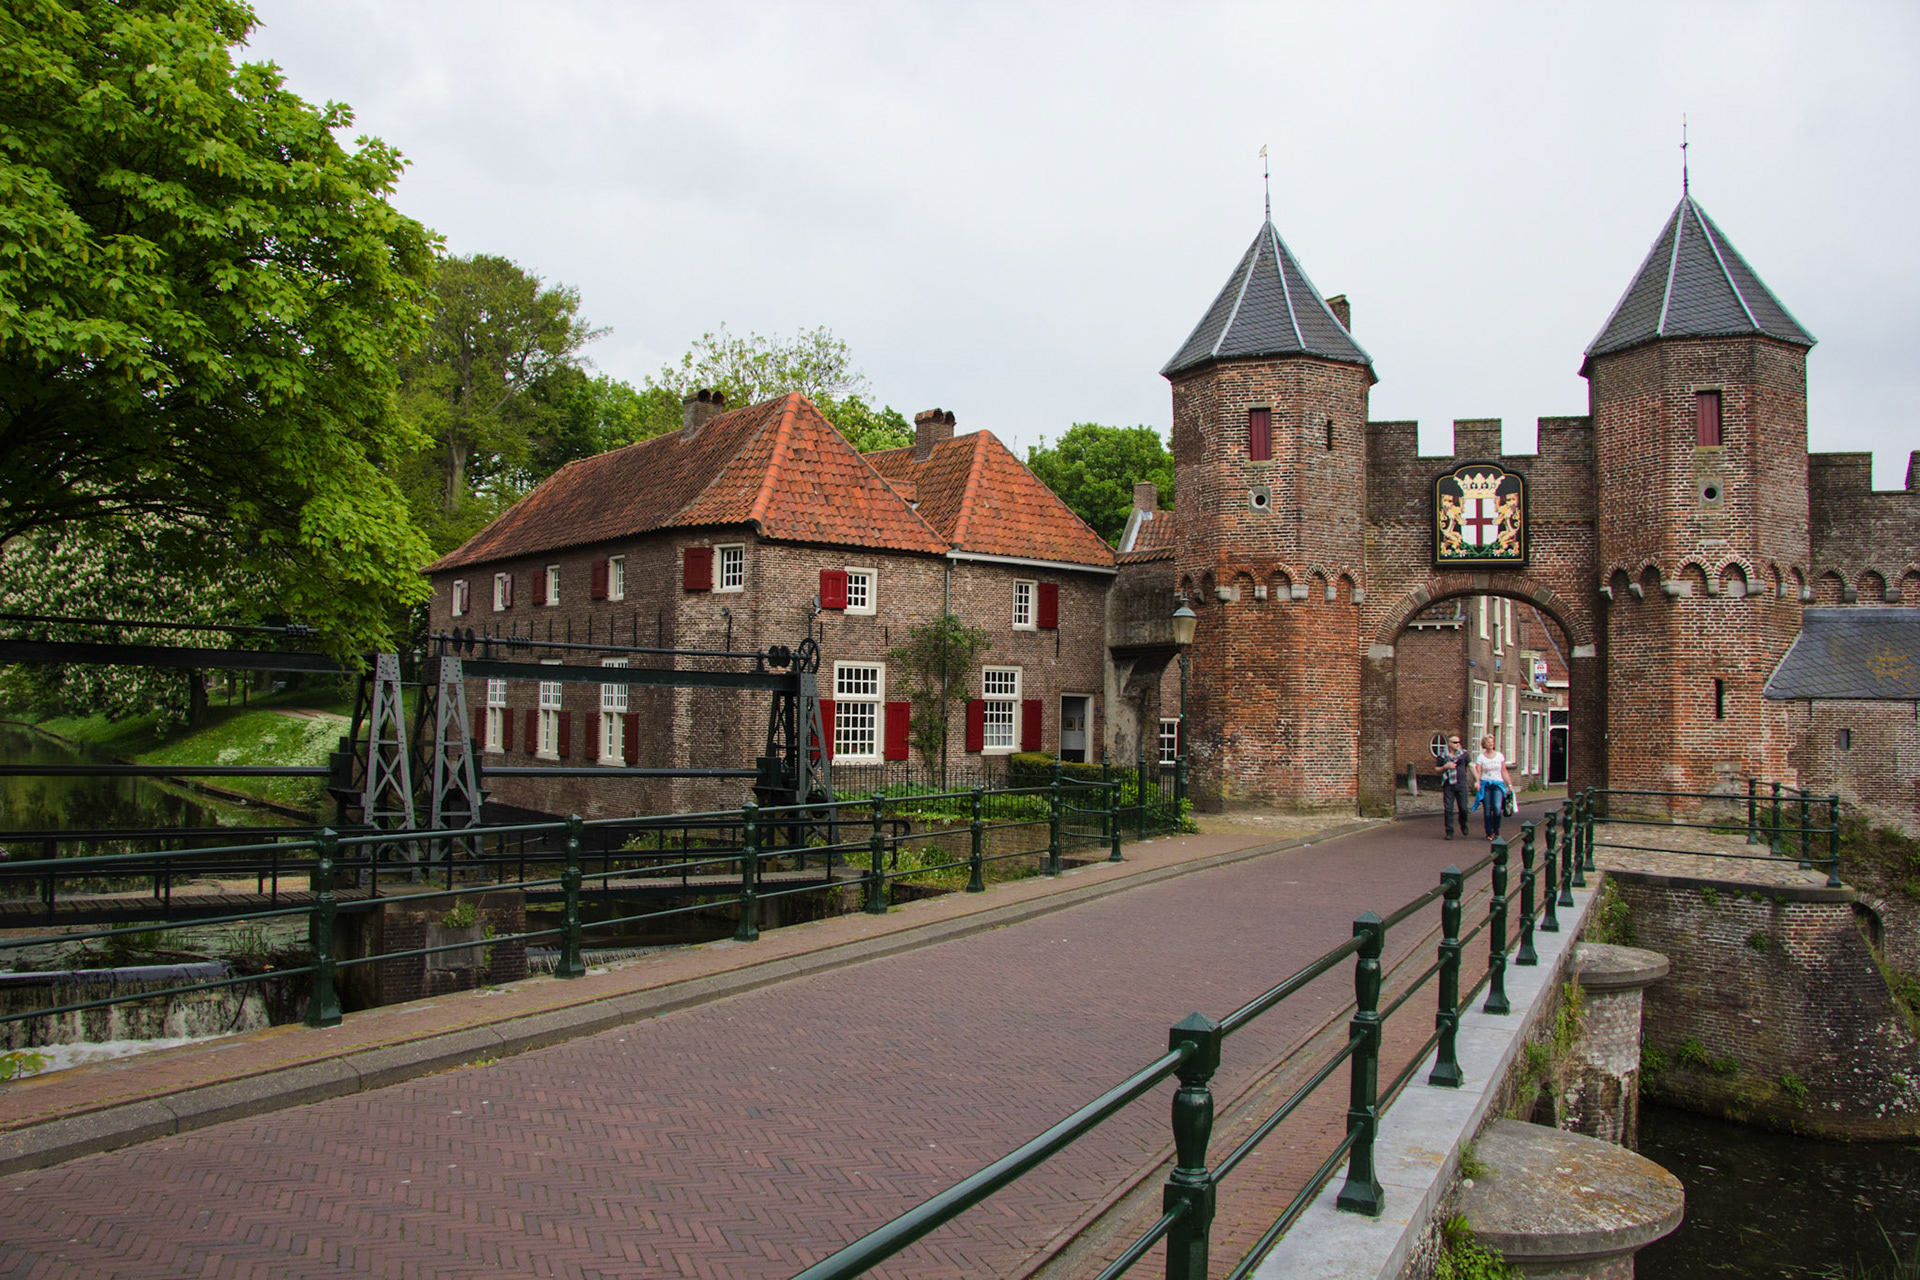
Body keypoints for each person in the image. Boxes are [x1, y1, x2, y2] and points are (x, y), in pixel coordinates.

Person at [1470, 734, 1514, 841]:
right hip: (1486, 785)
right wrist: (1477, 782)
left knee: (1497, 808)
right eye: (1489, 742)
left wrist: (1510, 784)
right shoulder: (1481, 757)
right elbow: (1478, 772)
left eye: (1492, 742)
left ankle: (1497, 830)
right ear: (1484, 744)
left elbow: (1504, 770)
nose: (1491, 744)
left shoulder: (1499, 756)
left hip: (1498, 784)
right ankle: (1489, 832)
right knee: (1487, 810)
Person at [1437, 733, 1473, 840]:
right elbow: (1437, 769)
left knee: (1463, 808)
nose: (1458, 744)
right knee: (1448, 808)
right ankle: (1449, 831)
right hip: (1448, 784)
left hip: (1461, 784)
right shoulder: (1442, 755)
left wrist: (1477, 780)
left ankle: (1463, 823)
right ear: (1449, 743)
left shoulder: (1463, 754)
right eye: (1455, 742)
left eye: (1458, 742)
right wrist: (1445, 767)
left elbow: (1471, 765)